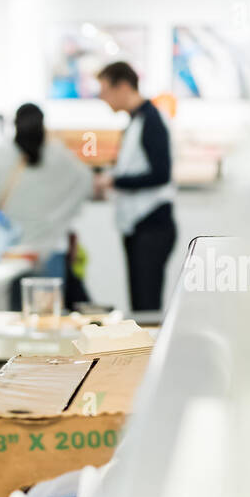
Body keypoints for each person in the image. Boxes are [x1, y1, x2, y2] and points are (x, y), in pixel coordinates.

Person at [0, 102, 91, 301]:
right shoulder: (58, 155)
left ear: (15, 125)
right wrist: (60, 219)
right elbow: (86, 180)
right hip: (49, 250)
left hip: (8, 254)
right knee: (48, 320)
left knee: (12, 322)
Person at [94, 61, 177, 311]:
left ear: (123, 87)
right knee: (139, 305)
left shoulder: (152, 120)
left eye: (105, 90)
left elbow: (161, 174)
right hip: (138, 226)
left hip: (152, 225)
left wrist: (114, 181)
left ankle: (150, 352)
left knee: (147, 308)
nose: (102, 97)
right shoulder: (136, 121)